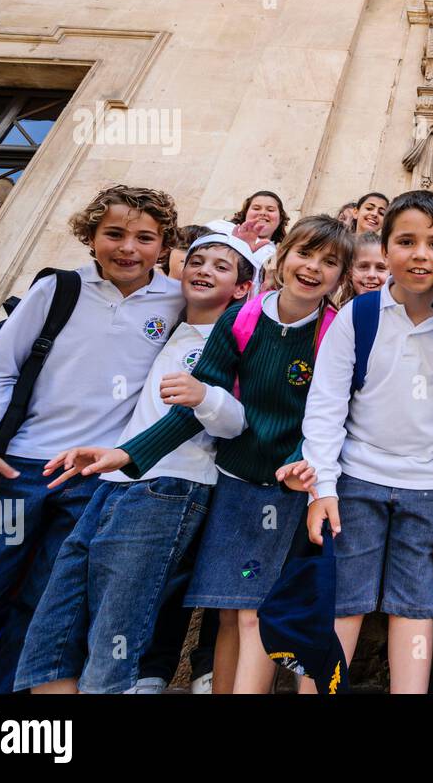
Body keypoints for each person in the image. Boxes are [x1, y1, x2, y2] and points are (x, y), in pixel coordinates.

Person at [54, 216, 356, 694]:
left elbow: (330, 411)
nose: (314, 267)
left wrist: (304, 460)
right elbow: (200, 402)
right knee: (226, 608)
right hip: (233, 479)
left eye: (330, 262)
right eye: (305, 253)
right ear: (283, 256)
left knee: (255, 609)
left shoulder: (335, 331)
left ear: (342, 277)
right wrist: (128, 454)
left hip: (287, 488)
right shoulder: (243, 318)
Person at [0, 184, 183, 694]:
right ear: (91, 237)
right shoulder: (58, 290)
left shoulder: (176, 302)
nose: (128, 248)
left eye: (145, 238)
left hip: (92, 483)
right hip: (17, 473)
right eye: (115, 234)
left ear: (164, 245)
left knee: (41, 611)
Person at [15, 234, 256, 693]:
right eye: (197, 261)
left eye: (221, 267)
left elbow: (238, 422)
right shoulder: (167, 327)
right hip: (112, 481)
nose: (204, 270)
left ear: (242, 288)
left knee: (117, 628)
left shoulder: (237, 340)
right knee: (54, 623)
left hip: (171, 487)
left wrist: (206, 397)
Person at [284, 192, 433, 693]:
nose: (420, 254)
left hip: (429, 487)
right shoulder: (359, 316)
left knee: (415, 609)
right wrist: (322, 486)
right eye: (405, 242)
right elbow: (325, 406)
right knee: (343, 603)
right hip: (356, 482)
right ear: (385, 249)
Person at [205, 190, 288, 280]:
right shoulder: (220, 227)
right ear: (245, 213)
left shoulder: (279, 256)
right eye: (256, 208)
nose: (263, 213)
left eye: (270, 210)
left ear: (280, 219)